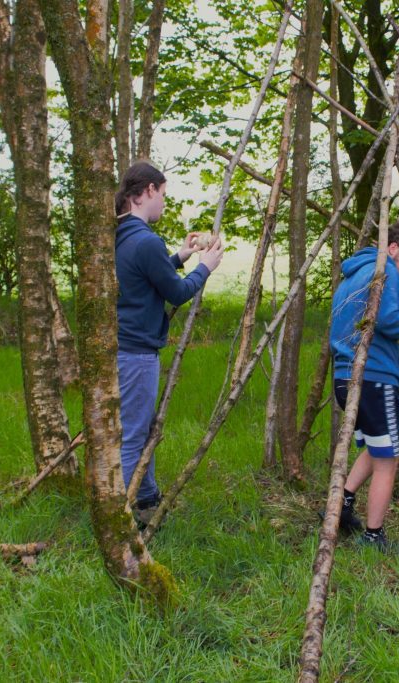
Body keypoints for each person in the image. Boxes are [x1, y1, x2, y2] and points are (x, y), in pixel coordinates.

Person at [114, 161, 224, 526]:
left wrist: (181, 256)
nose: (163, 202)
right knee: (133, 435)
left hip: (125, 347)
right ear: (146, 191)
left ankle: (146, 497)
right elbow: (175, 291)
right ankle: (119, 519)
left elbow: (148, 275)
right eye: (162, 194)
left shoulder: (125, 234)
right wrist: (205, 266)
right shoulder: (145, 240)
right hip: (136, 352)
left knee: (140, 428)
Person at [328, 220, 399, 554]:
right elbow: (387, 320)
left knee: (375, 445)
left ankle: (343, 506)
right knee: (388, 460)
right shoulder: (388, 274)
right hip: (373, 380)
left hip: (346, 377)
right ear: (393, 248)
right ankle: (374, 537)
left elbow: (361, 325)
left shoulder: (354, 274)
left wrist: (393, 351)